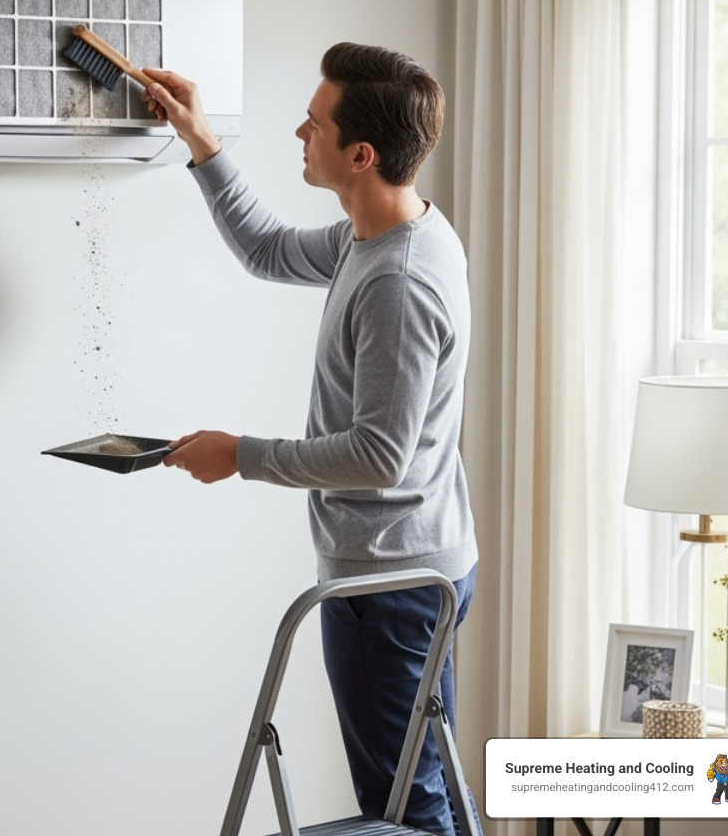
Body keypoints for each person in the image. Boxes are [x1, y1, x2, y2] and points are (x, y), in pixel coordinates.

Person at [143, 44, 479, 836]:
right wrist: (200, 139)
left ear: (360, 155)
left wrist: (242, 457)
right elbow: (266, 249)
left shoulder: (397, 280)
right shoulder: (384, 236)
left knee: (408, 811)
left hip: (386, 587)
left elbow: (377, 455)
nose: (299, 129)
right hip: (423, 563)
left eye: (315, 121)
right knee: (424, 794)